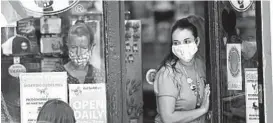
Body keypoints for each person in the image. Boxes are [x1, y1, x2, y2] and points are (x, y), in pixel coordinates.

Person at [153, 17, 210, 123]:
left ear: (197, 41)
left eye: (187, 41)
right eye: (176, 43)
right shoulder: (168, 74)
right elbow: (168, 118)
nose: (182, 47)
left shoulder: (200, 65)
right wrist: (202, 110)